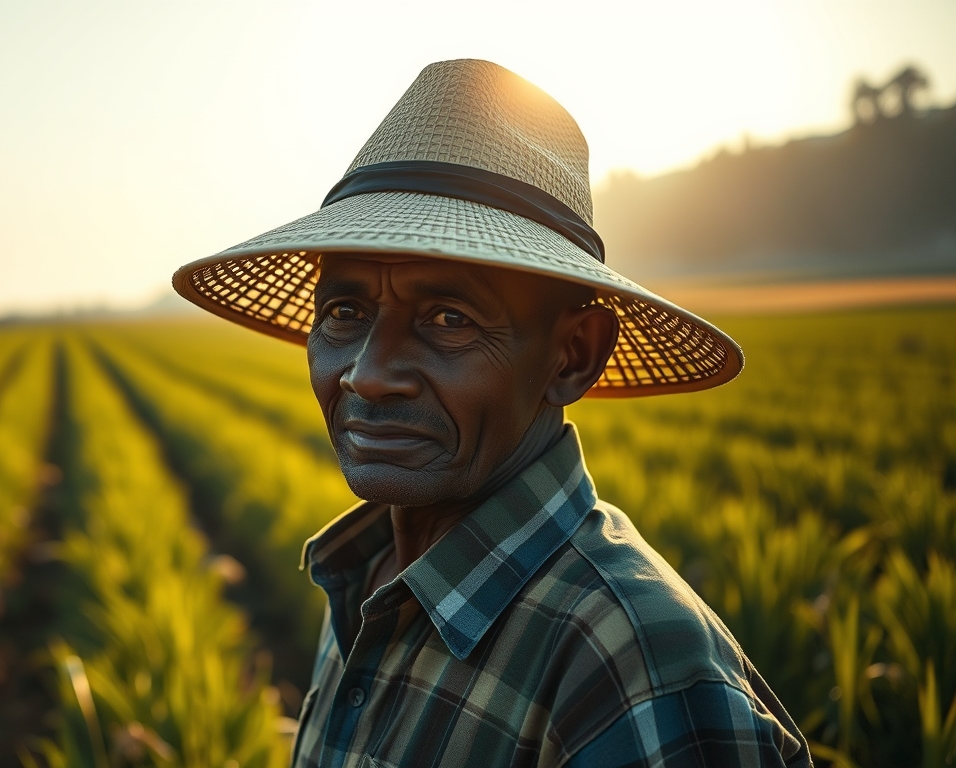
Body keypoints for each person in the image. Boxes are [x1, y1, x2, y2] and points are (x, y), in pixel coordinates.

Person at [172, 59, 811, 767]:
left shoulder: (628, 660)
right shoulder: (372, 576)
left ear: (572, 356)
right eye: (344, 312)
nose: (368, 374)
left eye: (448, 318)